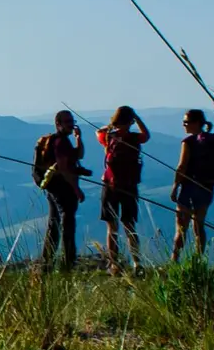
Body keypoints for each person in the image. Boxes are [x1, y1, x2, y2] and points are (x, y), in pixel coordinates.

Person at [97, 106, 150, 272]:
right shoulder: (133, 138)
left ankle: (114, 263)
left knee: (112, 227)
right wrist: (137, 119)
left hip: (110, 185)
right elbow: (146, 135)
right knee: (129, 226)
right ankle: (136, 262)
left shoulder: (109, 136)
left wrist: (112, 127)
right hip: (128, 186)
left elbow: (99, 132)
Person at [32, 110, 87, 269]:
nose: (71, 124)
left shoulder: (60, 141)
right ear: (58, 124)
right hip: (63, 188)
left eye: (72, 121)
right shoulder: (61, 143)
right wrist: (76, 189)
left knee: (54, 222)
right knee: (67, 223)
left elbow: (79, 155)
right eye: (67, 122)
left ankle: (47, 260)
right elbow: (64, 168)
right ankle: (68, 261)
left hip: (52, 187)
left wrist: (78, 138)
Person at [171, 108, 214, 261]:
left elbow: (182, 166)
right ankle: (198, 260)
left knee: (181, 227)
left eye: (186, 122)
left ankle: (174, 259)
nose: (184, 125)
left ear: (196, 123)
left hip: (189, 187)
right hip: (207, 188)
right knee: (199, 226)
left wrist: (175, 187)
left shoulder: (188, 142)